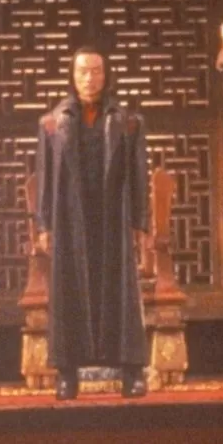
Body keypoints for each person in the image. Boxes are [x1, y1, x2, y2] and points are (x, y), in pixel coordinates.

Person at [36, 44, 149, 401]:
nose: (89, 78)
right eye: (83, 71)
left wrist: (140, 223)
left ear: (106, 75)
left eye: (96, 71)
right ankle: (67, 374)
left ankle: (131, 372)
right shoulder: (52, 123)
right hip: (70, 218)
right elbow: (45, 179)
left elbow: (139, 177)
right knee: (68, 293)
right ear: (72, 76)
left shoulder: (128, 122)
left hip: (113, 216)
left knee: (121, 294)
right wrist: (44, 225)